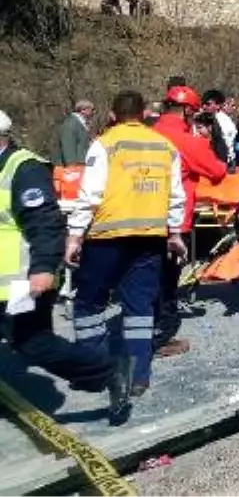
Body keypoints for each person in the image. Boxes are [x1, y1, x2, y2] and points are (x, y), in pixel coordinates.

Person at [0, 110, 122, 422]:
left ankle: (107, 371)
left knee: (33, 344)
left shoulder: (23, 169)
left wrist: (42, 268)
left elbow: (46, 224)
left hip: (21, 280)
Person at [68, 91, 187, 404]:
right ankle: (138, 376)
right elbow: (176, 196)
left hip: (107, 237)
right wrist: (174, 233)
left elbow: (90, 194)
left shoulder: (106, 144)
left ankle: (94, 373)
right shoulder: (165, 146)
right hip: (150, 238)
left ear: (112, 114)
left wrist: (75, 235)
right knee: (139, 307)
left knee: (89, 305)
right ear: (144, 114)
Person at [152, 86, 226, 358]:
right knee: (167, 280)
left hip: (139, 217)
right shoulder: (187, 141)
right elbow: (217, 170)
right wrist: (205, 140)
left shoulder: (147, 133)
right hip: (173, 220)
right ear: (187, 111)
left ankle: (139, 331)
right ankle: (161, 336)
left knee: (144, 277)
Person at [50, 100, 94, 169]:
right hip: (75, 168)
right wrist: (71, 168)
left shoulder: (81, 123)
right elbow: (68, 148)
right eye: (92, 109)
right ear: (83, 110)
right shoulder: (70, 124)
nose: (93, 112)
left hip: (83, 165)